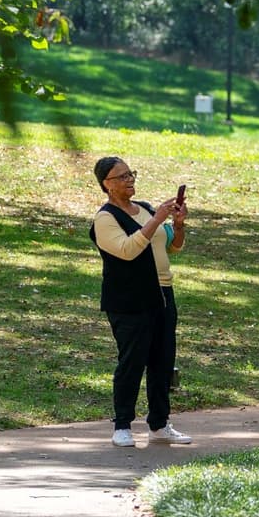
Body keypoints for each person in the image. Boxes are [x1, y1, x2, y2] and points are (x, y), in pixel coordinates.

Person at [91, 155, 191, 448]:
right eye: (121, 177)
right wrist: (157, 219)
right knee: (132, 361)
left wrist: (178, 224)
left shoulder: (146, 209)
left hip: (162, 294)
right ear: (106, 185)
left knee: (162, 360)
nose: (129, 180)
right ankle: (122, 425)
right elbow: (127, 250)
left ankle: (160, 424)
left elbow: (172, 247)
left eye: (130, 174)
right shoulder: (105, 218)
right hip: (129, 300)